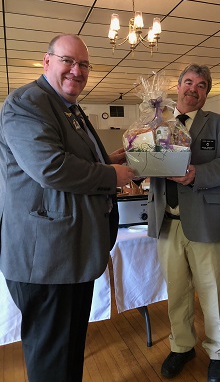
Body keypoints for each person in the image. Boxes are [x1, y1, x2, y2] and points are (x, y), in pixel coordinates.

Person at [0, 34, 135, 382]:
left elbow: (73, 159)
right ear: (47, 62)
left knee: (69, 352)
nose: (77, 71)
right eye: (68, 61)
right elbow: (51, 167)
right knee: (52, 362)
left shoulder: (68, 107)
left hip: (70, 254)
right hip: (45, 260)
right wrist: (111, 175)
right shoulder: (27, 103)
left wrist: (112, 159)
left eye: (84, 64)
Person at [147, 64, 220, 382]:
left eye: (201, 85)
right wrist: (137, 156)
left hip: (205, 220)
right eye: (188, 82)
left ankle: (218, 352)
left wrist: (196, 173)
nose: (193, 89)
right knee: (177, 292)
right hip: (167, 222)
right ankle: (182, 346)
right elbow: (148, 161)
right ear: (178, 85)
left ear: (206, 92)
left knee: (213, 292)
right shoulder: (158, 125)